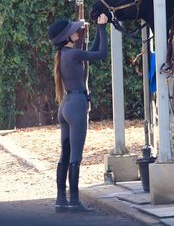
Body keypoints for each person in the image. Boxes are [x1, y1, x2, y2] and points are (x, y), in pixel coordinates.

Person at [48, 13, 108, 213]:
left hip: (65, 105)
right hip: (77, 106)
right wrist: (102, 28)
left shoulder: (64, 54)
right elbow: (101, 54)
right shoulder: (73, 54)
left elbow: (90, 51)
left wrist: (94, 28)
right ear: (67, 37)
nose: (76, 31)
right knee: (75, 156)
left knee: (64, 155)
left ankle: (60, 200)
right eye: (72, 31)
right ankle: (74, 200)